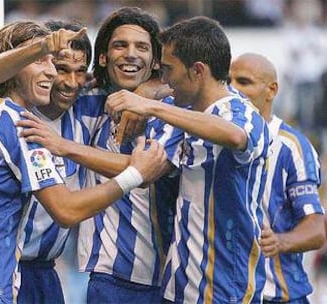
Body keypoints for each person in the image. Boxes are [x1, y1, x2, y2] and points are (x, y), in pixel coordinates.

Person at [0, 21, 166, 304]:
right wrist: (134, 173)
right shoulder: (22, 127)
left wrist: (147, 92)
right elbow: (66, 209)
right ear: (14, 64)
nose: (52, 73)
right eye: (43, 62)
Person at [17, 7, 182, 304]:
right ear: (104, 58)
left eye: (141, 47)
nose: (131, 54)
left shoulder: (174, 111)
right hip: (106, 278)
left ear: (155, 61)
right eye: (120, 45)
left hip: (169, 280)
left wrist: (146, 92)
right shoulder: (86, 103)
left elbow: (151, 168)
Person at [105, 16, 270, 303]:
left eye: (168, 70)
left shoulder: (240, 112)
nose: (164, 81)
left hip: (224, 290)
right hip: (178, 286)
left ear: (197, 71)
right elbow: (143, 169)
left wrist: (151, 106)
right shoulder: (185, 112)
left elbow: (235, 136)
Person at [0, 20, 95, 303]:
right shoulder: (5, 116)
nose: (69, 82)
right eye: (60, 68)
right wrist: (136, 173)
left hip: (45, 272)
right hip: (3, 269)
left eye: (80, 73)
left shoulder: (88, 112)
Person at [229, 52, 325, 303]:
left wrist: (279, 241)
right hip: (227, 293)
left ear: (271, 90)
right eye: (229, 82)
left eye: (244, 82)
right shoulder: (216, 138)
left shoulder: (292, 147)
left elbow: (316, 229)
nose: (233, 89)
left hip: (277, 295)